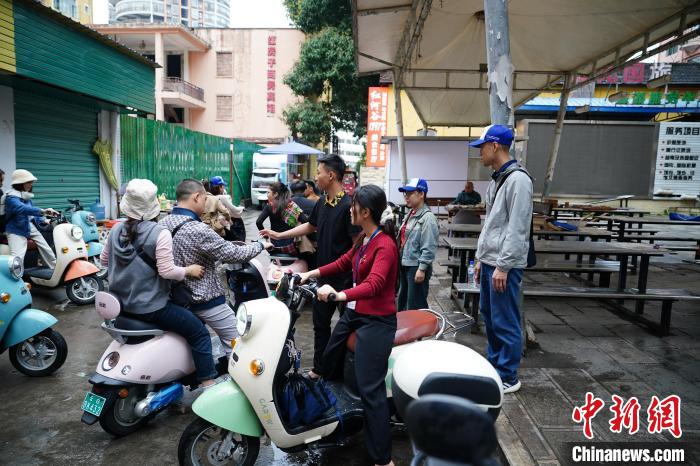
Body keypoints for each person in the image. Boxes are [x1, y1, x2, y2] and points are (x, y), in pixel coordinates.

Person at [298, 184, 397, 466]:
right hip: (357, 314)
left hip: (377, 321)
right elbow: (344, 262)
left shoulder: (385, 245)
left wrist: (339, 295)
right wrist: (311, 273)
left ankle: (383, 459)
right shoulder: (365, 238)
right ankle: (336, 419)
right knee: (328, 359)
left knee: (370, 388)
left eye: (354, 205)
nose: (350, 209)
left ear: (365, 212)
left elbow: (374, 284)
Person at [100, 179, 219, 393]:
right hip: (151, 307)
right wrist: (189, 270)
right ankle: (209, 386)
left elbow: (104, 261)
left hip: (121, 306)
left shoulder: (116, 229)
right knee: (199, 333)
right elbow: (167, 271)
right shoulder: (159, 232)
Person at [260, 155, 360, 379]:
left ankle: (345, 370)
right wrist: (279, 234)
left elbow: (356, 247)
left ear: (331, 175)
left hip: (345, 279)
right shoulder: (322, 202)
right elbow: (309, 226)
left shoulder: (348, 206)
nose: (316, 177)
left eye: (319, 172)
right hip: (322, 274)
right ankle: (319, 369)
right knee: (320, 325)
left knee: (348, 326)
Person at [160, 179, 272, 357]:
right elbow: (234, 254)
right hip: (205, 299)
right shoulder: (197, 229)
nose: (206, 204)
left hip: (177, 299)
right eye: (205, 199)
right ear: (196, 197)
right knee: (238, 343)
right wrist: (260, 245)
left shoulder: (162, 224)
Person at [470, 125, 533, 394]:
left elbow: (517, 228)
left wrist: (503, 266)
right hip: (491, 261)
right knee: (490, 316)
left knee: (505, 319)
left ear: (495, 146)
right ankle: (495, 365)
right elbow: (491, 225)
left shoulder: (518, 180)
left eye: (482, 147)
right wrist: (480, 258)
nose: (479, 152)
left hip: (504, 265)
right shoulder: (498, 179)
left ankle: (508, 375)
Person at [397, 178, 439, 311]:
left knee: (415, 305)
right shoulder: (410, 213)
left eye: (410, 193)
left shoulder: (428, 218)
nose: (406, 196)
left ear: (421, 194)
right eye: (405, 193)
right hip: (406, 264)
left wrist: (422, 269)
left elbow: (429, 246)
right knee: (403, 302)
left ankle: (421, 325)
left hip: (416, 267)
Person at [2, 169, 58, 268]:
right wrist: (43, 211)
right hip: (15, 229)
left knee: (46, 248)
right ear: (20, 183)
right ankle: (15, 276)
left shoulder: (25, 196)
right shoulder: (11, 198)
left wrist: (44, 220)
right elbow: (23, 209)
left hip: (28, 226)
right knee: (17, 258)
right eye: (28, 182)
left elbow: (32, 214)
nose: (31, 185)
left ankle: (54, 269)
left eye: (31, 182)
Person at [256, 182, 308, 254]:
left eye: (268, 192)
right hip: (290, 243)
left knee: (275, 259)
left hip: (274, 242)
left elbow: (258, 222)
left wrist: (266, 237)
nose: (267, 194)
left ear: (275, 194)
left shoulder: (269, 207)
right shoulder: (291, 206)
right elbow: (305, 221)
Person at [209, 175, 246, 242]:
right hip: (223, 223)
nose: (224, 187)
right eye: (223, 186)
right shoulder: (223, 198)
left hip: (213, 224)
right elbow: (233, 210)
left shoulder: (209, 197)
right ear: (220, 187)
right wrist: (241, 208)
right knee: (238, 239)